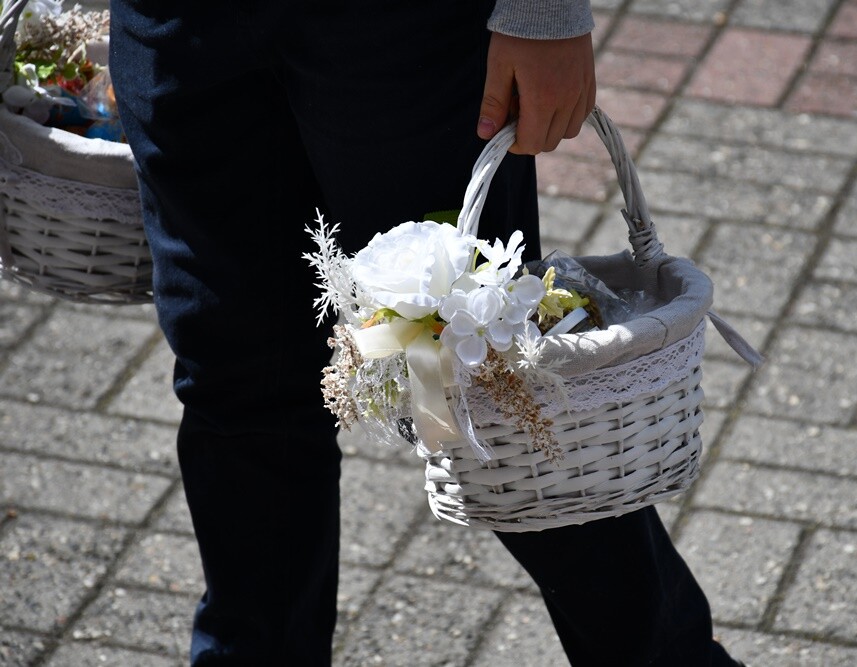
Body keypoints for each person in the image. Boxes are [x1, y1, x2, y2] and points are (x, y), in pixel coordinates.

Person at [109, 1, 745, 664]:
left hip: (397, 34)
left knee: (493, 400)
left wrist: (545, 12)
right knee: (235, 385)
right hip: (181, 23)